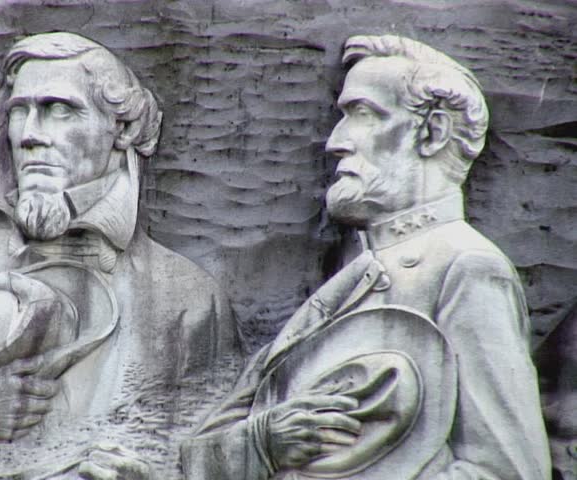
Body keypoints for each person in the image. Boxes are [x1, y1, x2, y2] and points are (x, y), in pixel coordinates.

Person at [0, 32, 241, 478]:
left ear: (121, 128)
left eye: (59, 110)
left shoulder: (188, 296)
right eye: (19, 111)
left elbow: (211, 447)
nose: (29, 135)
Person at [181, 34, 551, 480]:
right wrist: (264, 442)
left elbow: (510, 470)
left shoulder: (467, 268)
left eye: (362, 114)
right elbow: (203, 448)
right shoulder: (352, 276)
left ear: (433, 131)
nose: (336, 142)